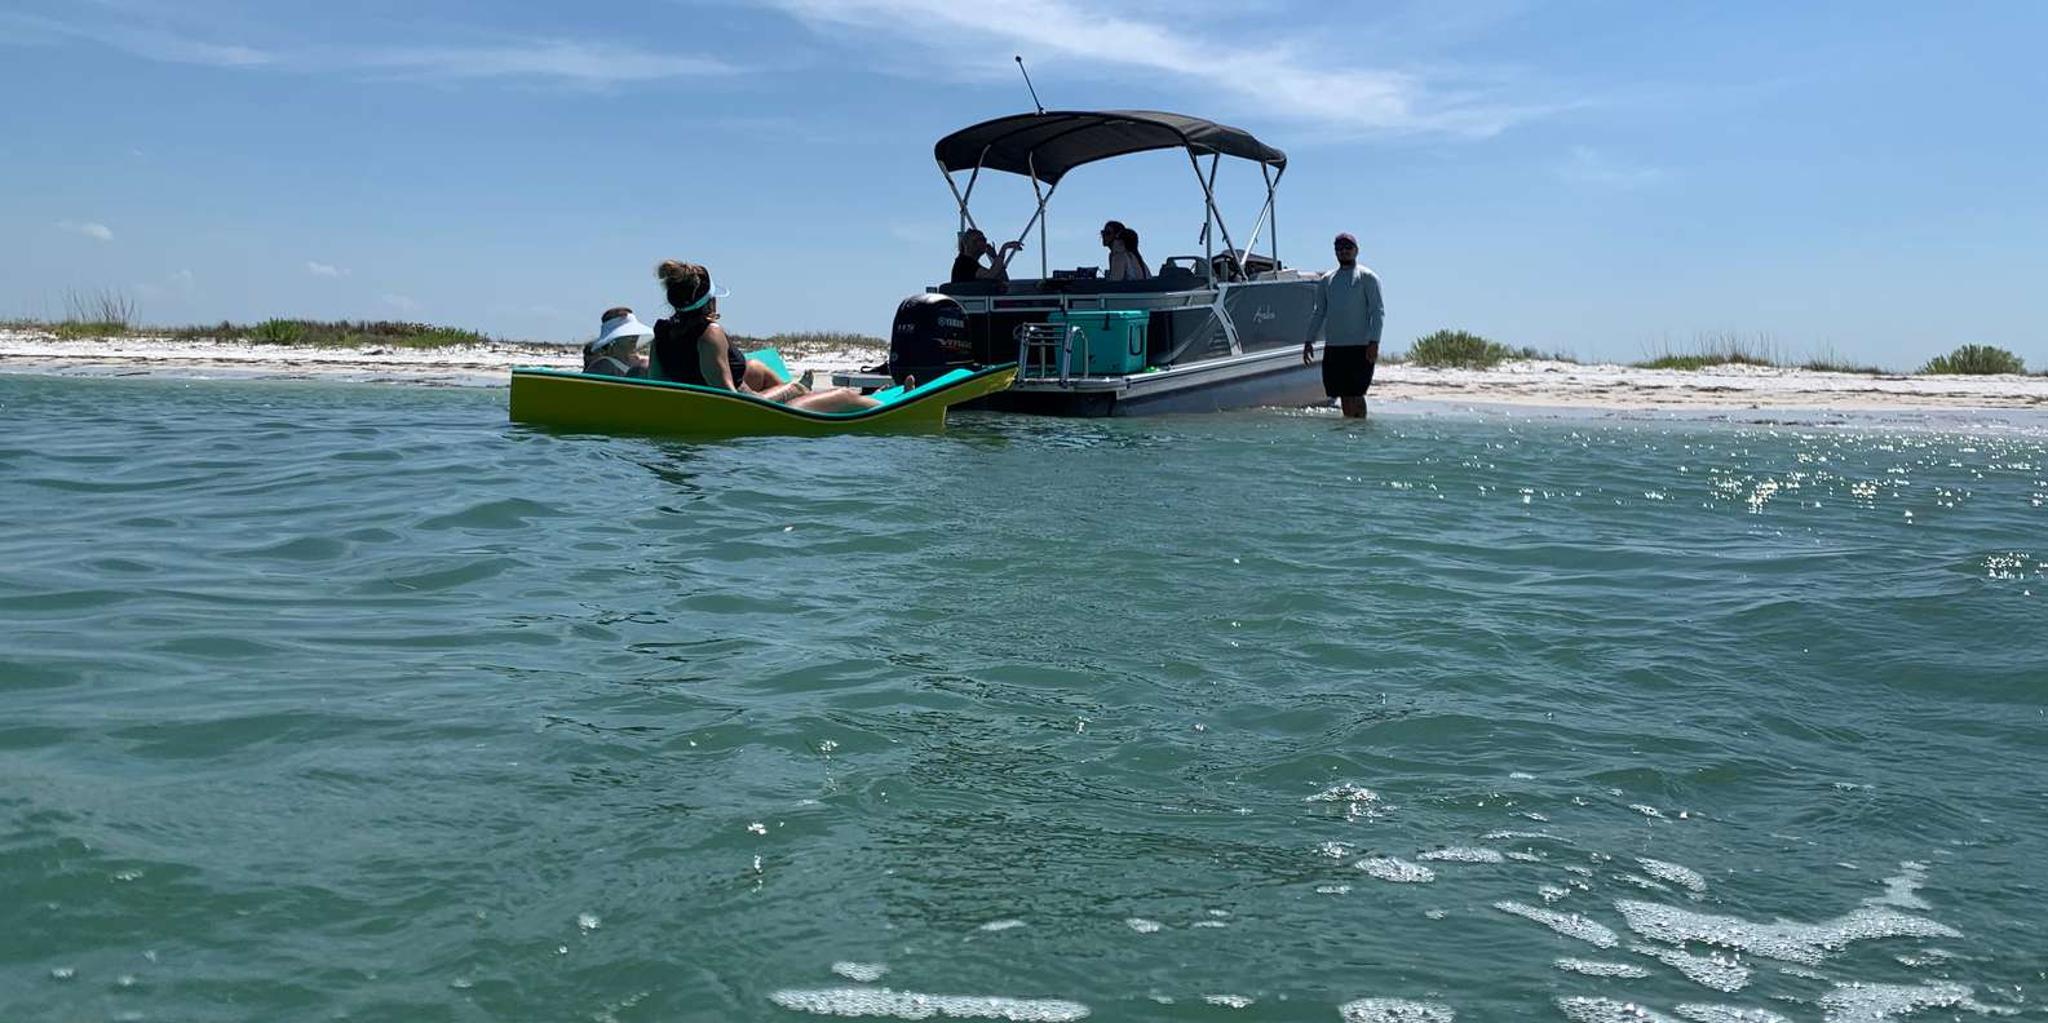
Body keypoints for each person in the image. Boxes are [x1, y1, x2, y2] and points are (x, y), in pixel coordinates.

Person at [649, 260, 888, 412]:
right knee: (843, 395)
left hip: (698, 409)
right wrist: (790, 390)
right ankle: (886, 407)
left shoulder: (662, 330)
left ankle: (811, 398)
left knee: (756, 367)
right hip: (743, 413)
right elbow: (729, 401)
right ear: (709, 300)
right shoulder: (710, 333)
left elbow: (658, 384)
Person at [1302, 232, 1384, 418]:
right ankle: (1348, 430)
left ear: (1356, 250)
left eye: (1348, 248)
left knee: (1356, 392)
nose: (1344, 251)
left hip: (1360, 347)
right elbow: (1319, 312)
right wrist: (1309, 340)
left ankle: (1360, 429)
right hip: (1335, 347)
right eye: (1339, 248)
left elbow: (1377, 312)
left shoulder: (1367, 277)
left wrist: (1374, 341)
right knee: (1343, 393)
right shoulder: (1327, 279)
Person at [583, 307, 653, 377]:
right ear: (614, 339)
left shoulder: (639, 361)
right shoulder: (603, 366)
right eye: (627, 333)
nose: (634, 337)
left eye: (635, 332)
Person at [951, 228, 1020, 284]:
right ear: (966, 244)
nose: (982, 243)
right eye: (976, 240)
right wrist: (1004, 248)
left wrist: (995, 257)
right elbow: (991, 275)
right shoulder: (964, 263)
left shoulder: (970, 263)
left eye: (984, 240)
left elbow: (1003, 280)